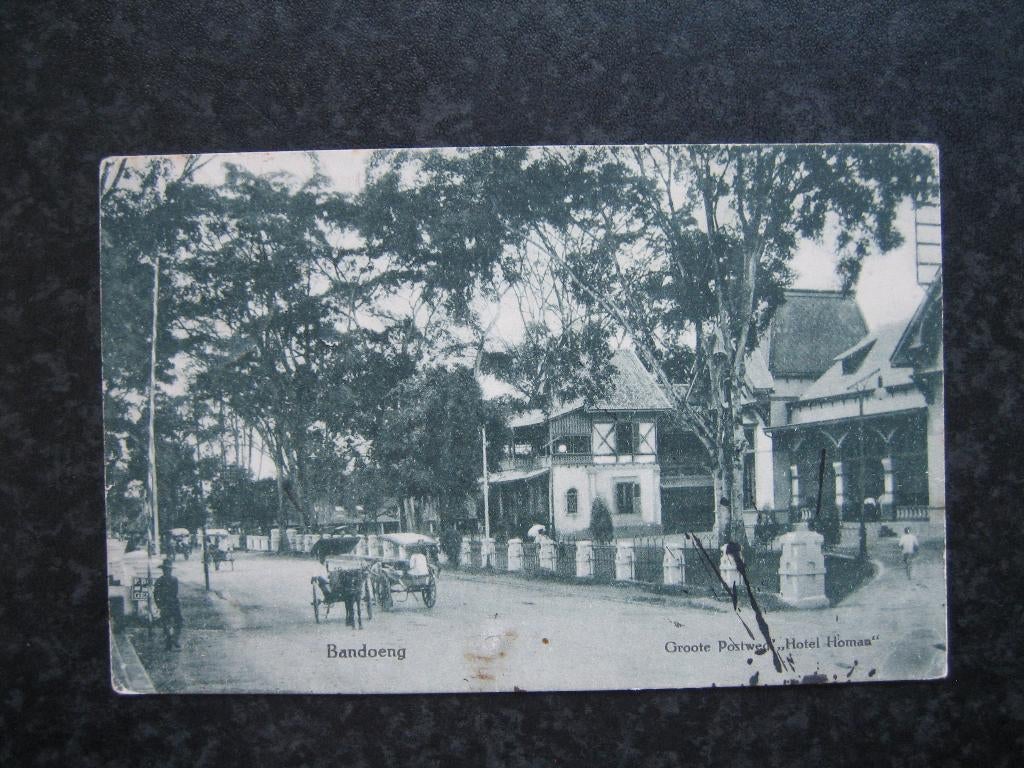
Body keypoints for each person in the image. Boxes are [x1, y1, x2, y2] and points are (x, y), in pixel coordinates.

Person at [153, 559, 183, 650]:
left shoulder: (159, 580)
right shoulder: (174, 579)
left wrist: (159, 604)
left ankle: (169, 642)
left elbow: (156, 594)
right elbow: (174, 593)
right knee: (178, 622)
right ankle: (174, 639)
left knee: (166, 623)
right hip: (173, 604)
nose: (167, 571)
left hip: (164, 604)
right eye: (167, 569)